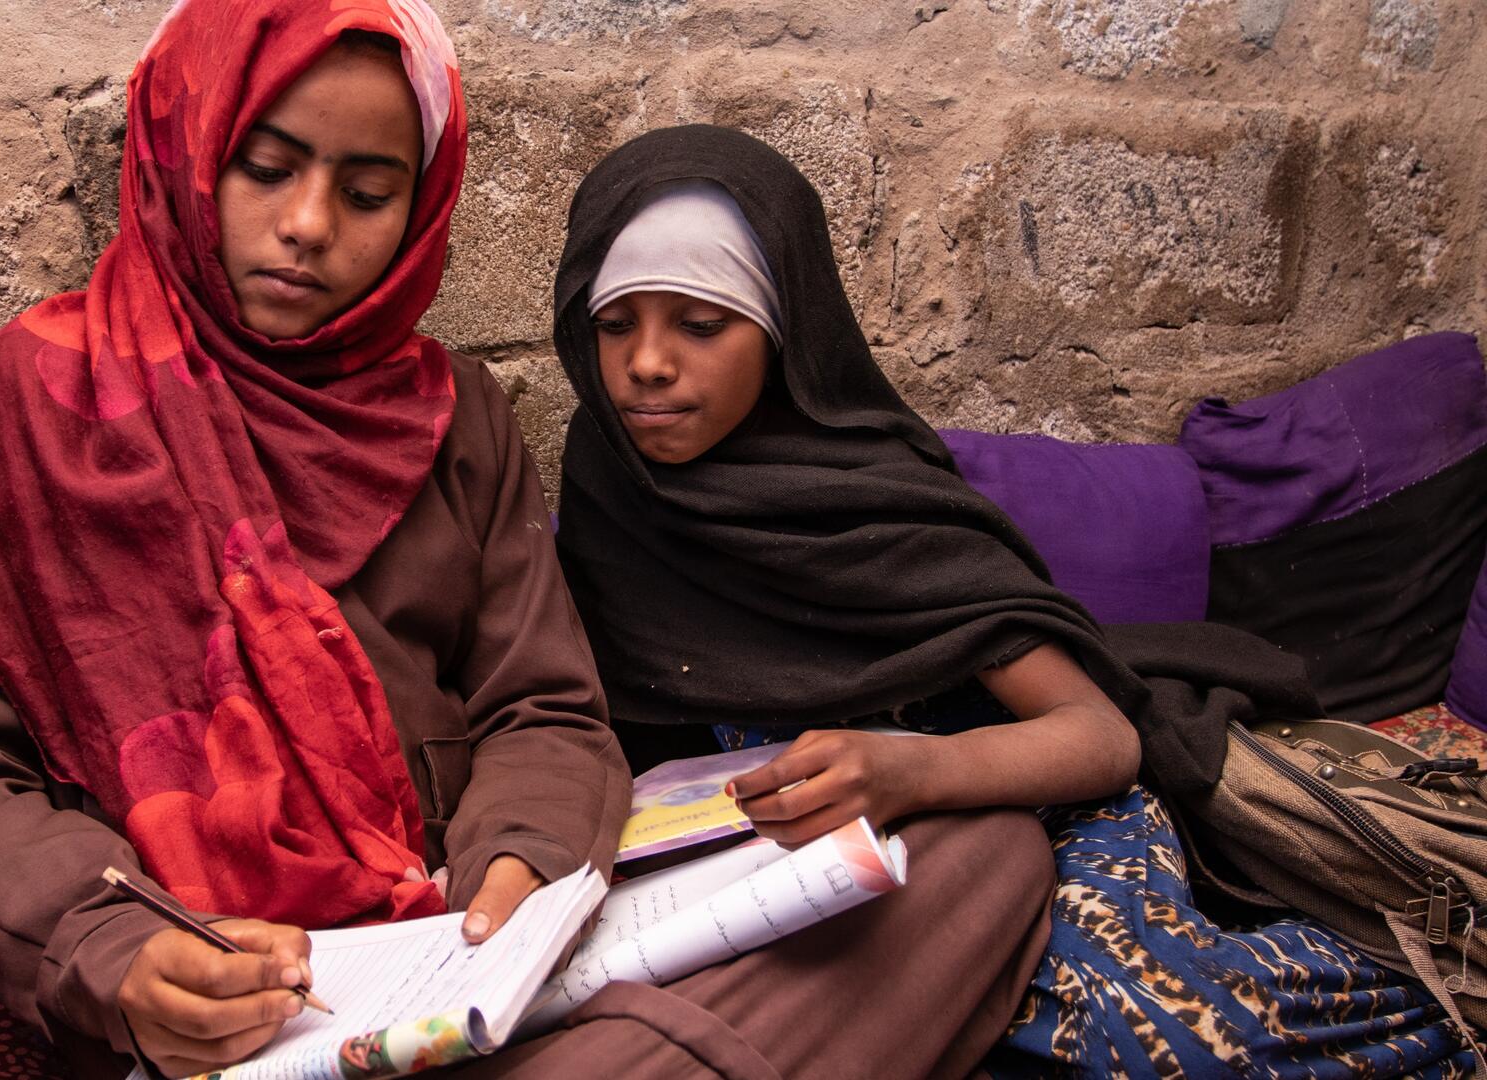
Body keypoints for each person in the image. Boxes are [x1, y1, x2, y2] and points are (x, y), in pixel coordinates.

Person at [550, 124, 1478, 1078]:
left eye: (701, 324)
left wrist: (906, 774)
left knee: (1144, 1033)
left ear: (786, 327)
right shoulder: (611, 493)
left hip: (1011, 801)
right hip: (776, 863)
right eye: (615, 323)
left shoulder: (869, 493)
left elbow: (1100, 736)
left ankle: (1440, 999)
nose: (648, 363)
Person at [0, 3, 629, 1076]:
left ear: (423, 208)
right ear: (181, 155)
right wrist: (116, 948)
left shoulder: (454, 415)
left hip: (445, 962)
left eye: (369, 194)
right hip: (191, 1003)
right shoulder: (24, 411)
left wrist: (521, 865)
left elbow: (542, 705)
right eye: (265, 169)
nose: (311, 224)